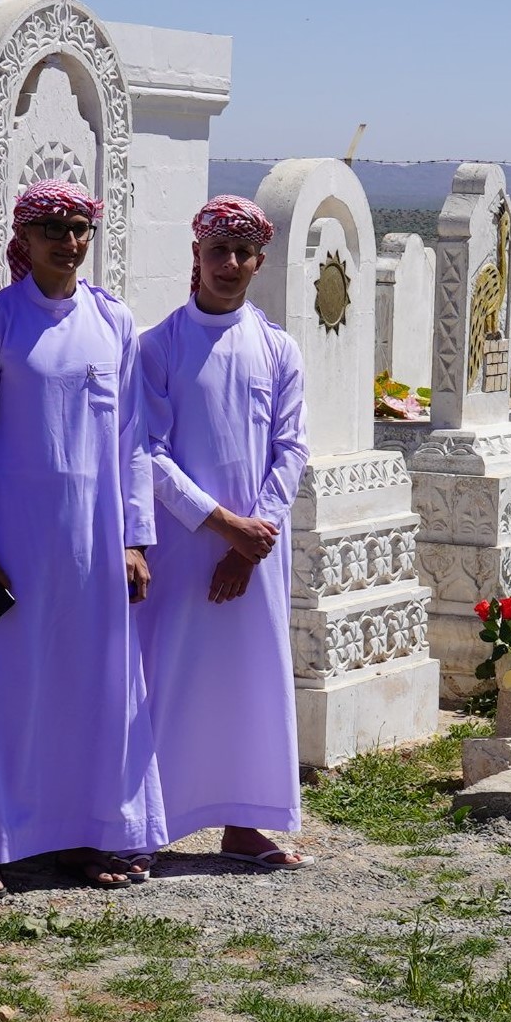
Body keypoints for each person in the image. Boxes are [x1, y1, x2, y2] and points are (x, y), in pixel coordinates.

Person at [0, 179, 165, 892]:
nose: (67, 243)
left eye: (78, 228)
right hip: (16, 546)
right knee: (10, 688)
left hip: (97, 545)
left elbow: (134, 440)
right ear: (26, 237)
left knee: (93, 688)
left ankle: (91, 835)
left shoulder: (114, 321)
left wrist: (135, 538)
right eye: (52, 230)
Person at [136, 195, 311, 870]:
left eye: (243, 253)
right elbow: (150, 452)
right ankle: (153, 822)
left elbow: (290, 449)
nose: (230, 264)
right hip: (186, 545)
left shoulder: (278, 349)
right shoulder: (158, 346)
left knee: (251, 682)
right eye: (219, 251)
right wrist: (223, 526)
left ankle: (246, 824)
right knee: (171, 675)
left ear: (259, 262)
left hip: (258, 552)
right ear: (196, 256)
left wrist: (253, 537)